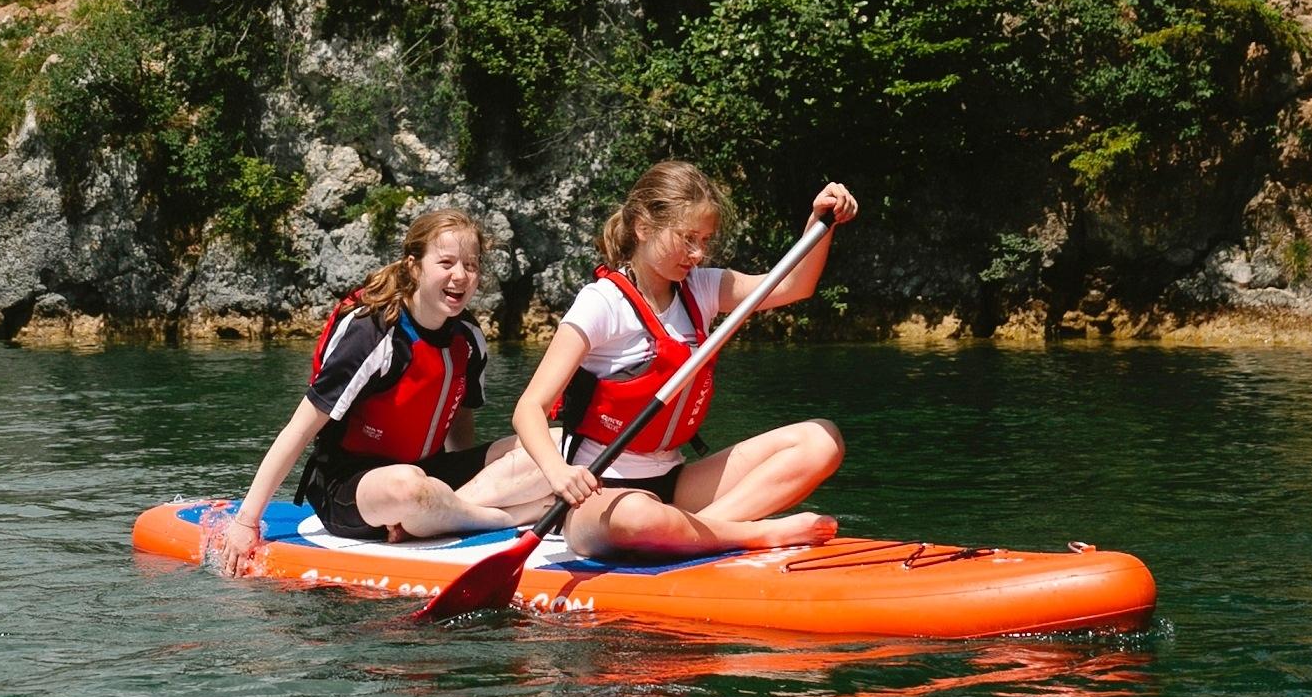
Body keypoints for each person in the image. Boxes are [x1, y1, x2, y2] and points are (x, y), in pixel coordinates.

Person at [511, 161, 856, 562]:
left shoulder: (704, 288)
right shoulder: (601, 303)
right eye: (687, 238)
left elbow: (795, 286)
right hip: (605, 498)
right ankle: (753, 534)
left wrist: (821, 224)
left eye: (705, 240)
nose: (697, 254)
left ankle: (699, 534)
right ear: (643, 227)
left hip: (675, 484)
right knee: (640, 516)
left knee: (822, 440)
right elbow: (528, 409)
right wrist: (558, 473)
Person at [216, 207, 554, 559]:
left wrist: (460, 488)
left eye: (470, 265)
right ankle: (501, 517)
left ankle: (441, 515)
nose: (461, 276)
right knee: (407, 486)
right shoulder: (373, 334)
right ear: (413, 265)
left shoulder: (468, 339)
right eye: (446, 263)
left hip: (432, 476)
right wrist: (246, 522)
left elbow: (460, 421)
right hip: (354, 486)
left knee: (557, 444)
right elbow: (298, 430)